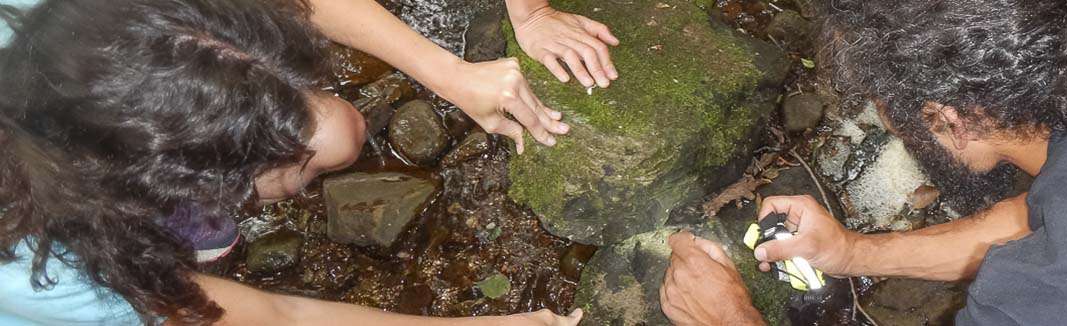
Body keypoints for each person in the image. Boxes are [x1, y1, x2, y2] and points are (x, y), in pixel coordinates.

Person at [661, 0, 1067, 325]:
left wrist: (730, 318)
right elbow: (1044, 214)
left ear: (949, 119)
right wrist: (852, 253)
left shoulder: (1052, 305)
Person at [0, 0, 618, 324]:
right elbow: (277, 313)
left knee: (338, 134)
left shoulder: (95, 21)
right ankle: (196, 239)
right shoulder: (51, 279)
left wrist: (450, 73)